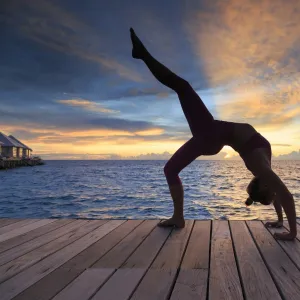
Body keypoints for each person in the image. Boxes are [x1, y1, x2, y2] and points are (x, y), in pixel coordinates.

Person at [129, 28, 297, 240]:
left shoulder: (259, 166)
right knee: (170, 169)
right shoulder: (264, 169)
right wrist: (281, 221)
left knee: (182, 87)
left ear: (263, 185)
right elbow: (277, 192)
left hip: (210, 133)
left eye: (268, 190)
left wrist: (292, 233)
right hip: (212, 135)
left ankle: (143, 55)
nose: (272, 189)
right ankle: (178, 218)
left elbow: (285, 194)